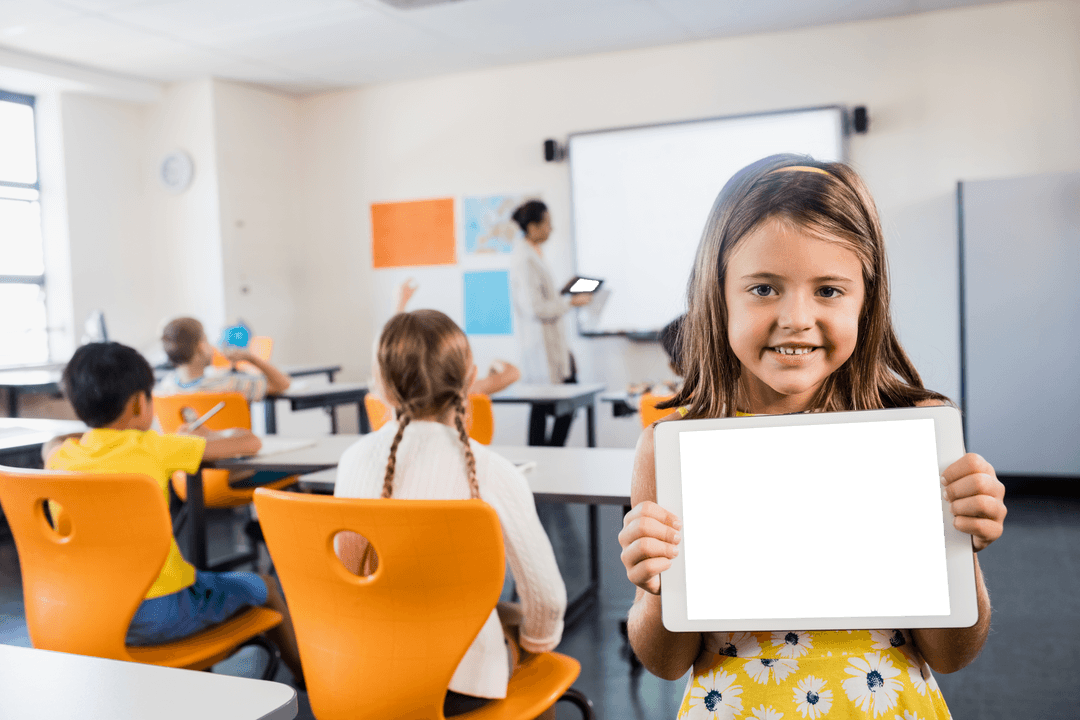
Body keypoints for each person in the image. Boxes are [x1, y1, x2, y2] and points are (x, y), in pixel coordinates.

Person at [617, 155, 1007, 719]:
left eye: (828, 290)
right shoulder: (674, 446)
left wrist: (960, 548)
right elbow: (666, 661)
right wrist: (654, 587)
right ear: (718, 294)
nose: (796, 317)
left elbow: (951, 654)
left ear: (865, 299)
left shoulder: (915, 431)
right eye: (763, 288)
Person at [334, 309, 566, 717]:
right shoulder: (493, 472)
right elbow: (547, 601)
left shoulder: (353, 461)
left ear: (382, 385)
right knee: (524, 637)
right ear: (469, 377)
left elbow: (348, 571)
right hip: (458, 686)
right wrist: (535, 642)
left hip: (363, 673)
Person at [44, 342, 304, 684]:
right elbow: (248, 442)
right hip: (161, 613)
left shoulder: (59, 458)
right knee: (267, 586)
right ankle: (307, 682)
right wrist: (206, 435)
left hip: (84, 614)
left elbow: (53, 443)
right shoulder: (157, 447)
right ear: (140, 401)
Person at [509, 200, 592, 446]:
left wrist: (563, 297)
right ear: (533, 227)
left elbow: (543, 299)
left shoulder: (534, 255)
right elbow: (535, 308)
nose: (551, 229)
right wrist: (570, 303)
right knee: (546, 408)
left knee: (556, 405)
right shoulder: (524, 259)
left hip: (551, 345)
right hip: (539, 349)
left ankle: (550, 456)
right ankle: (547, 459)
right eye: (547, 223)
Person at [395, 278, 521, 396]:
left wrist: (400, 304)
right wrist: (496, 362)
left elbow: (389, 352)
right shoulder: (465, 389)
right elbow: (513, 373)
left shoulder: (404, 394)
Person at [156, 317, 291, 401]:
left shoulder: (165, 389)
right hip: (234, 447)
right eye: (207, 340)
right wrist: (251, 358)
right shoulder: (228, 385)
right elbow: (282, 384)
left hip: (190, 448)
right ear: (201, 347)